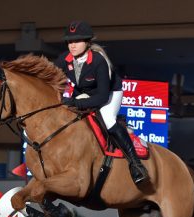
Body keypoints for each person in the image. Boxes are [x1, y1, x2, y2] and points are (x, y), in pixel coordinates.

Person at [55, 20, 149, 185]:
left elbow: (101, 98)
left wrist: (75, 103)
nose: (72, 45)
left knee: (108, 119)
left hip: (109, 94)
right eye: (70, 41)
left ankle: (136, 164)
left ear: (88, 42)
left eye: (77, 41)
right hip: (84, 93)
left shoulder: (99, 61)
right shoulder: (64, 59)